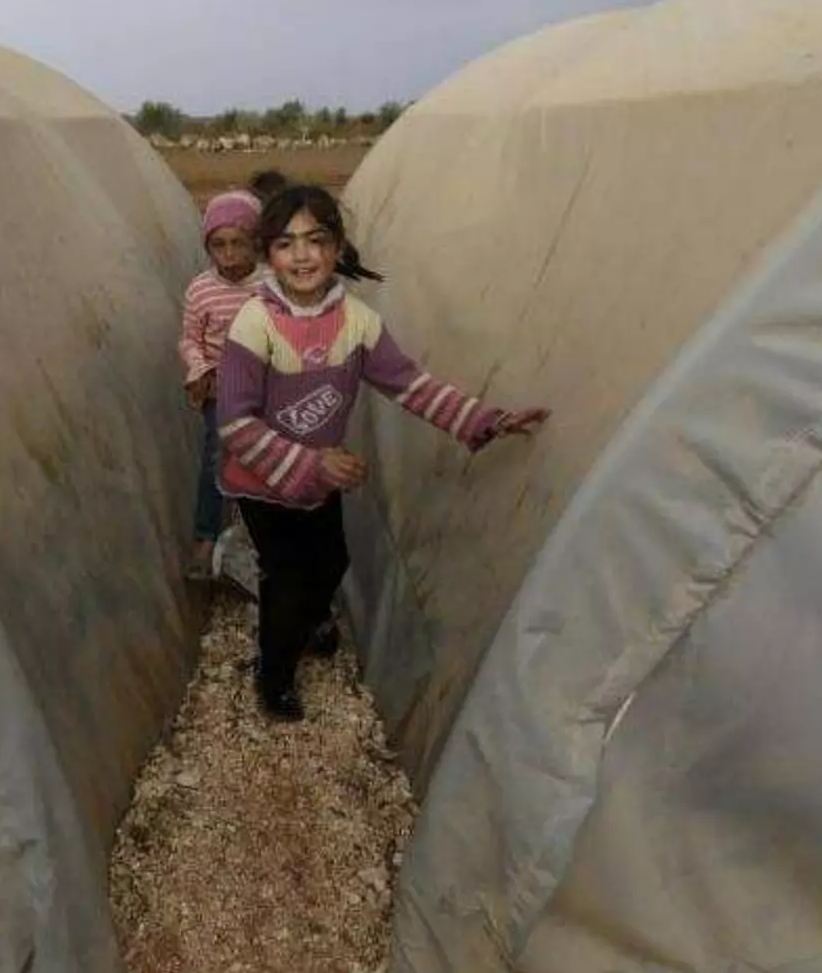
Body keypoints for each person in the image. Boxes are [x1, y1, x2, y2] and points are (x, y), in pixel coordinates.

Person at [215, 185, 549, 721]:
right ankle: (273, 675)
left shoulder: (358, 322)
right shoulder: (253, 324)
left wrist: (487, 420)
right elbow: (234, 424)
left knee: (332, 560)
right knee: (287, 578)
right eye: (285, 243)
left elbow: (409, 385)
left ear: (338, 247)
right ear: (268, 256)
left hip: (319, 479)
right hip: (262, 481)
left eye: (315, 240)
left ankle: (313, 619)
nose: (301, 256)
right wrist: (311, 462)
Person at [179, 189, 267, 581]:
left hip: (267, 387)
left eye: (238, 244)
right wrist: (198, 370)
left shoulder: (271, 285)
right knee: (218, 456)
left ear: (256, 244)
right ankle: (206, 538)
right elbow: (190, 339)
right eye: (219, 245)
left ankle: (261, 543)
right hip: (220, 387)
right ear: (208, 247)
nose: (229, 255)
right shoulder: (201, 289)